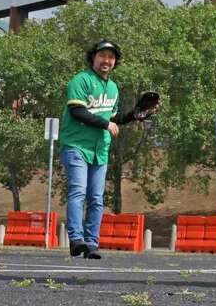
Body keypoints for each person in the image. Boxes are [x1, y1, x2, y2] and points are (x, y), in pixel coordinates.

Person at [59, 40, 157, 260]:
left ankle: (91, 243)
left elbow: (113, 118)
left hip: (99, 150)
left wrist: (134, 115)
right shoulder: (81, 80)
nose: (106, 60)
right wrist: (105, 124)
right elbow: (77, 111)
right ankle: (76, 240)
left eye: (111, 57)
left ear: (115, 62)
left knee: (96, 197)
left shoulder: (112, 88)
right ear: (93, 57)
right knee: (78, 191)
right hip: (76, 145)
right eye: (102, 55)